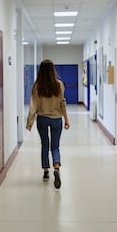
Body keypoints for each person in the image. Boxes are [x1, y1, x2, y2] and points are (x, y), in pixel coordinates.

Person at [26, 59, 70, 189]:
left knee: (45, 144)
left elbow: (33, 106)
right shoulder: (59, 85)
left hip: (42, 119)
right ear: (52, 70)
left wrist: (29, 123)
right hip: (56, 119)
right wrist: (66, 120)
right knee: (55, 146)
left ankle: (46, 171)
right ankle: (56, 166)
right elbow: (62, 103)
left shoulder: (36, 86)